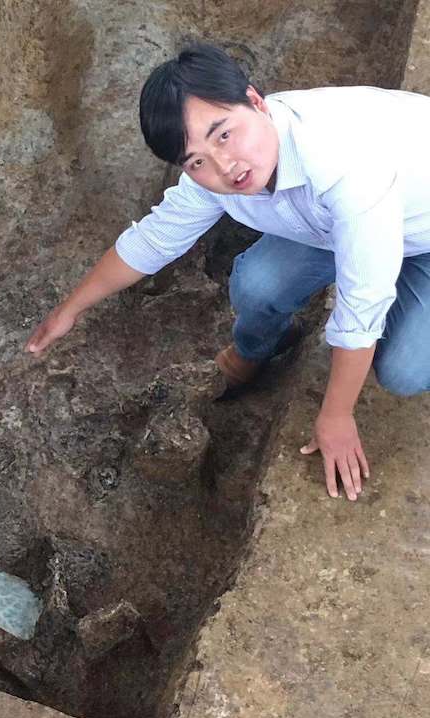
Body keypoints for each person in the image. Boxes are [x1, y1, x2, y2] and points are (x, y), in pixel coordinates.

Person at [26, 41, 430, 503]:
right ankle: (253, 352)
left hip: (420, 230)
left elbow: (362, 304)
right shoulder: (218, 175)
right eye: (195, 160)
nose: (224, 166)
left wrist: (336, 415)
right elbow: (155, 238)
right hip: (334, 229)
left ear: (256, 101)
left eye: (223, 135)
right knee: (257, 285)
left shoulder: (342, 163)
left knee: (404, 370)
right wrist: (69, 309)